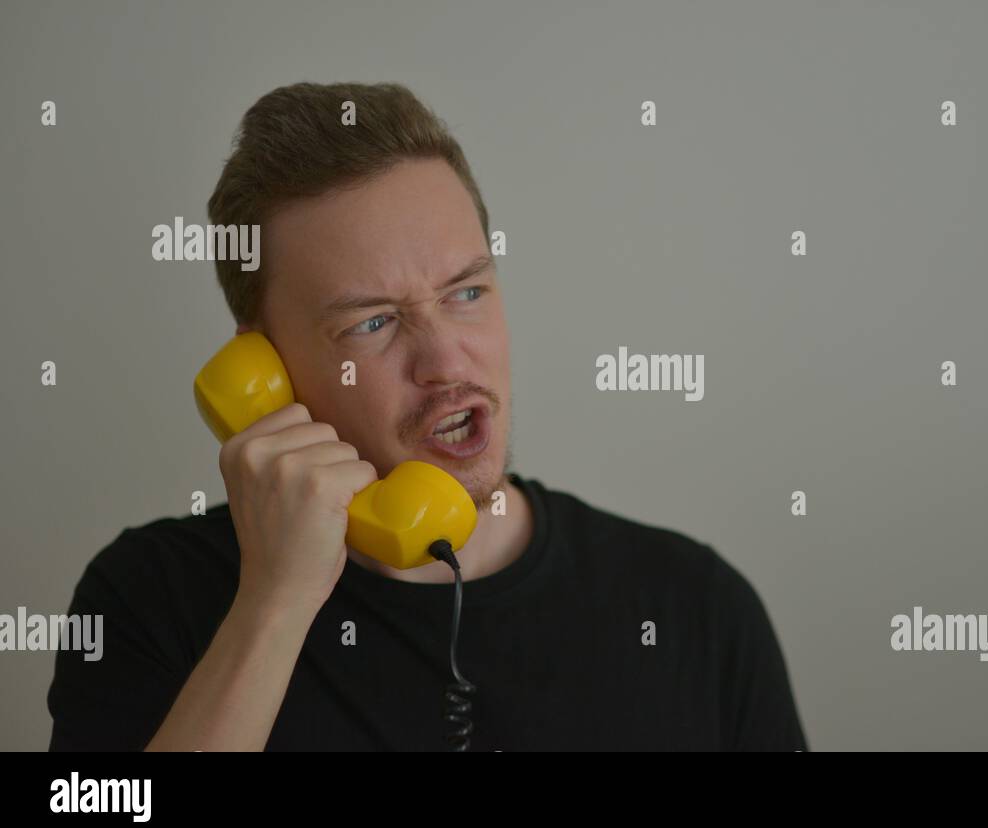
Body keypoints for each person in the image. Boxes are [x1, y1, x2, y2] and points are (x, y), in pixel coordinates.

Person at [47, 82, 807, 751]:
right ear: (265, 372)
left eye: (467, 292)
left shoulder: (695, 608)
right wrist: (273, 608)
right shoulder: (148, 599)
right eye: (373, 322)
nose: (446, 361)